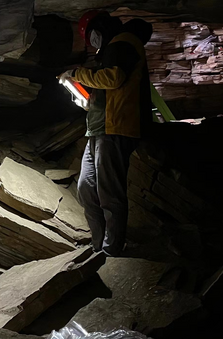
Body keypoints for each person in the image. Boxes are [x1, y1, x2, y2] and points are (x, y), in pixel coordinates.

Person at [60, 11, 153, 256]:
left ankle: (112, 250)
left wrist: (76, 74)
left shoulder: (123, 43)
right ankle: (99, 245)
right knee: (86, 188)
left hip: (115, 128)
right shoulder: (115, 47)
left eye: (92, 37)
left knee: (109, 193)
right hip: (100, 128)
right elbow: (111, 87)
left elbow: (114, 78)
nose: (93, 43)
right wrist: (90, 102)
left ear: (99, 29)